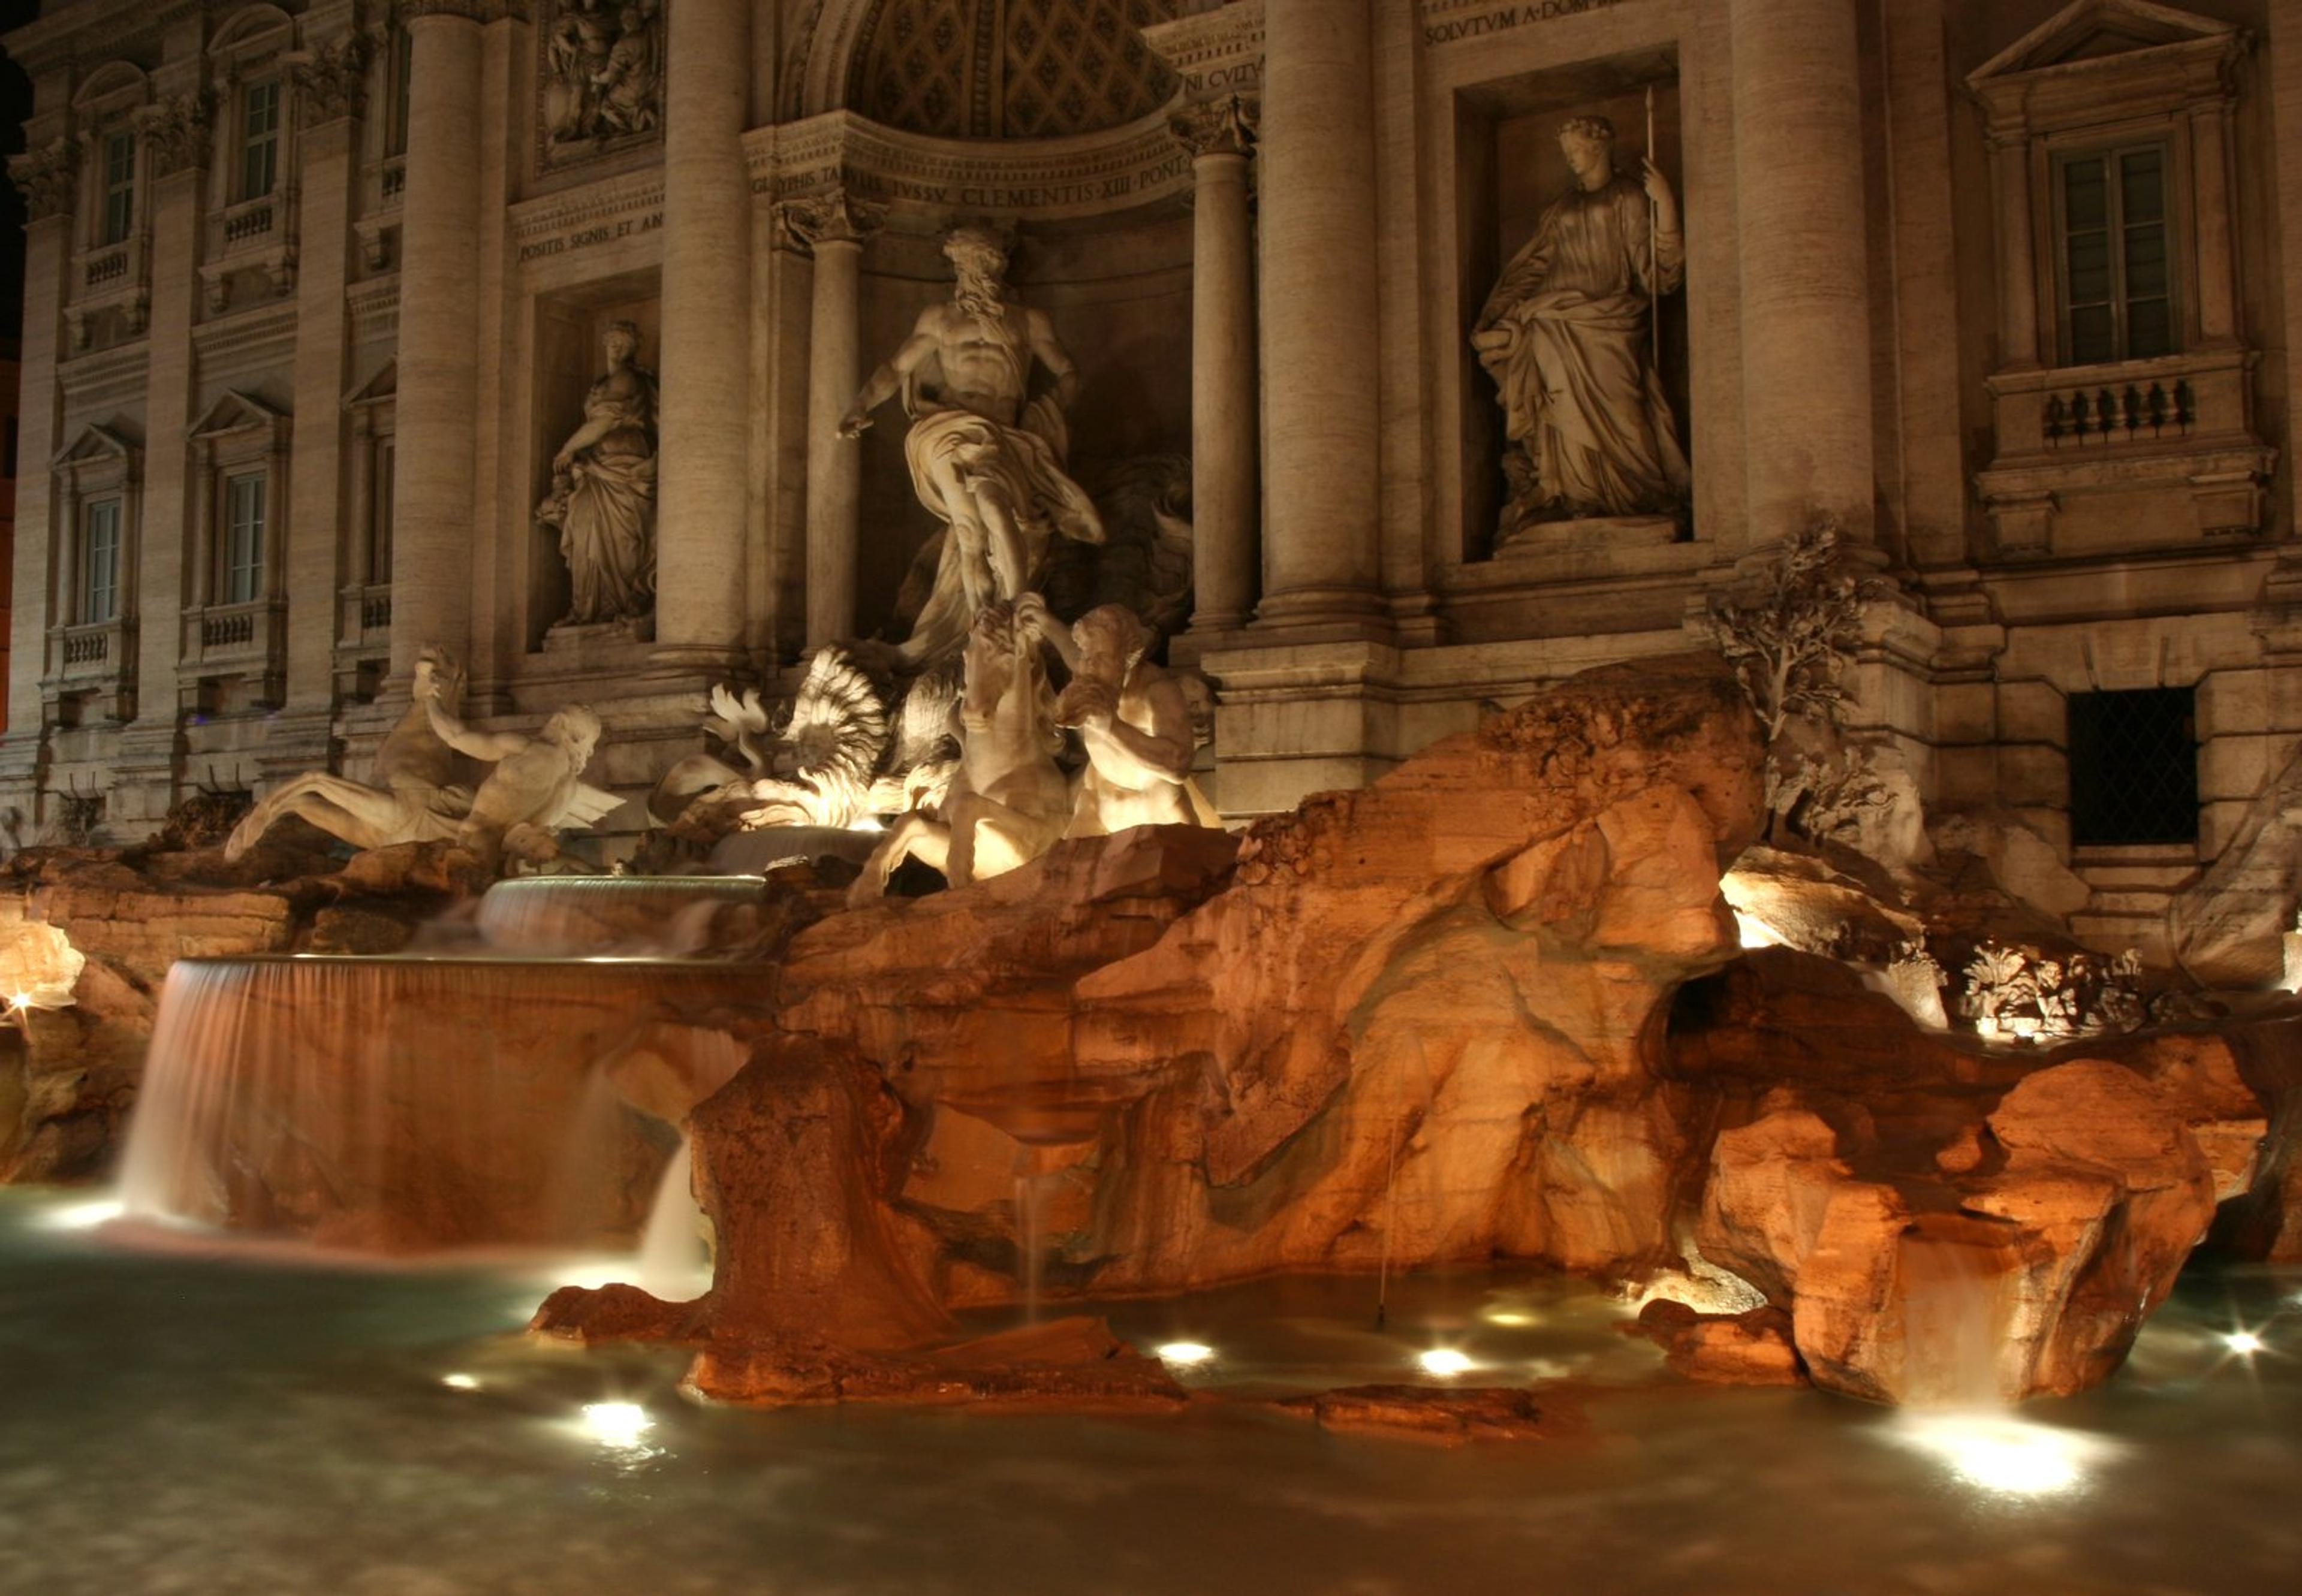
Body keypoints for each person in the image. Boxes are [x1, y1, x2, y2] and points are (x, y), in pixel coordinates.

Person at [839, 225, 1104, 663]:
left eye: (984, 262)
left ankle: (1019, 612)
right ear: (958, 269)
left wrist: (1048, 413)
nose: (976, 272)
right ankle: (983, 627)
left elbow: (1069, 373)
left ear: (998, 266)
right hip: (946, 428)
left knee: (995, 508)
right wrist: (860, 403)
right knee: (968, 531)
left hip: (1001, 436)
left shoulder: (1030, 321)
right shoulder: (938, 319)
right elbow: (894, 367)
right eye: (967, 264)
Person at [1472, 114, 1690, 534]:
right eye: (1567, 152)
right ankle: (1574, 493)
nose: (1572, 159)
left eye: (1578, 149)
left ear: (1602, 146)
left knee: (1625, 410)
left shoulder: (1627, 197)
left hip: (1612, 321)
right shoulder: (1562, 209)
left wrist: (1665, 207)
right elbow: (1533, 266)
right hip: (1552, 319)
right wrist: (1499, 312)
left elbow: (1657, 274)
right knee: (1559, 406)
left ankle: (1636, 493)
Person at [537, 321, 657, 626]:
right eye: (612, 342)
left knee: (622, 538)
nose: (616, 348)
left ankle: (621, 603)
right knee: (583, 527)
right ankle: (587, 608)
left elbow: (603, 422)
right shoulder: (604, 381)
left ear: (632, 350)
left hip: (624, 464)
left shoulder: (628, 379)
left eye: (624, 344)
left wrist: (567, 449)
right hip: (597, 467)